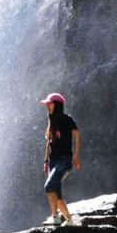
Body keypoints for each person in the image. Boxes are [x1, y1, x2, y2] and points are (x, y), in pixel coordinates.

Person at [39, 92, 80, 226]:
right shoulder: (51, 122)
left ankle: (55, 217)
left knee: (49, 186)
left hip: (64, 160)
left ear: (56, 105)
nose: (47, 107)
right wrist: (46, 161)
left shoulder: (68, 120)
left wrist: (76, 155)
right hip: (53, 161)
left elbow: (77, 135)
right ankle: (69, 220)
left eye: (49, 104)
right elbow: (48, 142)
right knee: (56, 192)